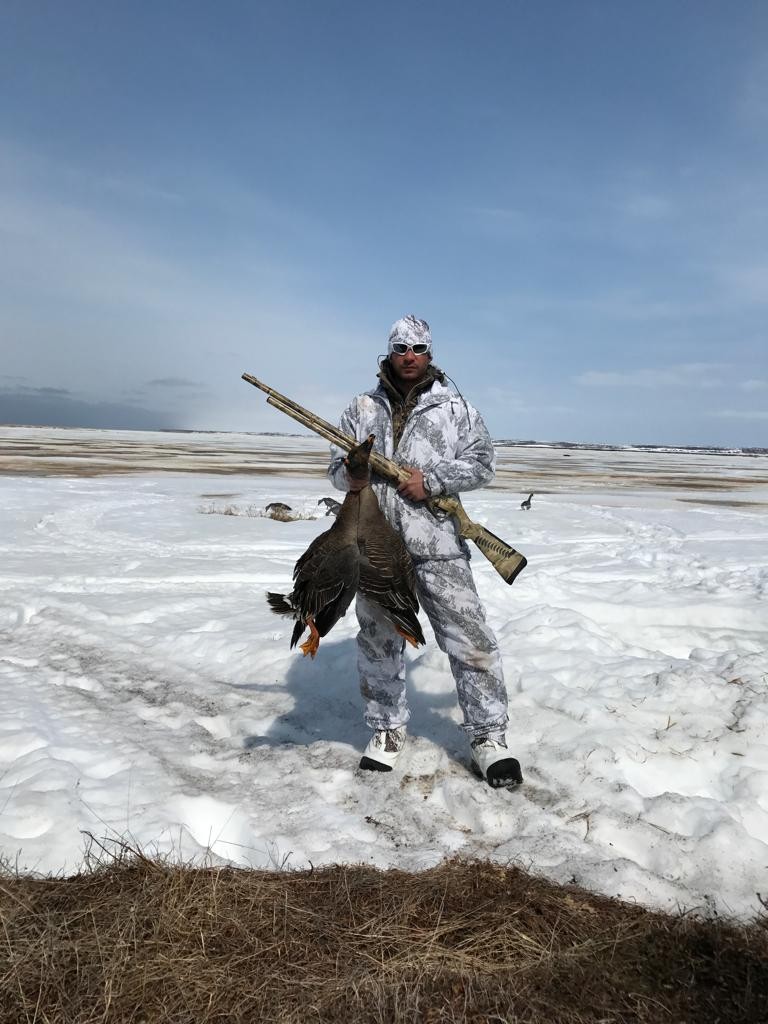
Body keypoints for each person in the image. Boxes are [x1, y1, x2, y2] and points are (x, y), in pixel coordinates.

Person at [328, 315, 522, 788]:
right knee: (378, 641)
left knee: (470, 642)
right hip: (376, 547)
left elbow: (483, 464)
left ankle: (488, 738)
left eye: (417, 347)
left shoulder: (456, 408)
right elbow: (335, 472)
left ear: (429, 352)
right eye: (400, 347)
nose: (409, 355)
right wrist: (352, 475)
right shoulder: (361, 407)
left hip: (440, 546)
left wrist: (430, 481)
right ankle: (387, 731)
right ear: (389, 352)